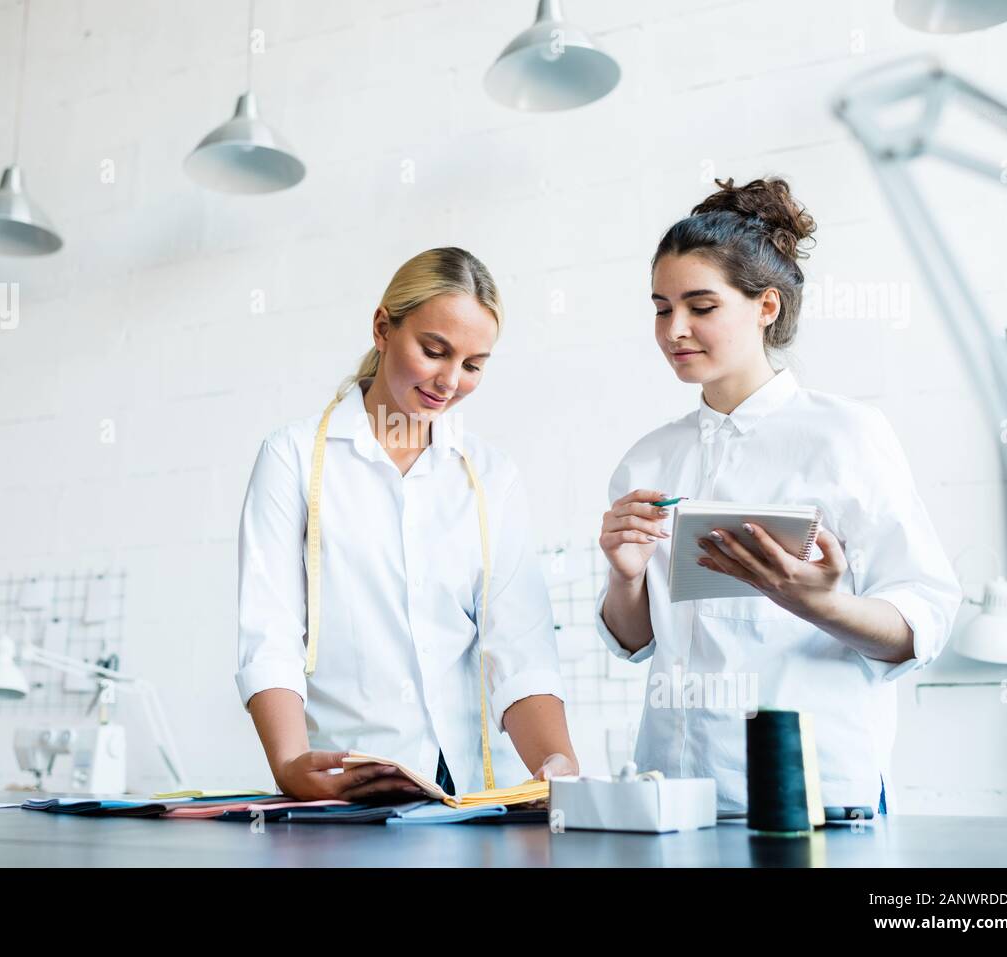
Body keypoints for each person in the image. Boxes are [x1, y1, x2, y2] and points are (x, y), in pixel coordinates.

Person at [595, 178, 961, 813]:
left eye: (701, 307)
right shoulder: (648, 458)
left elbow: (919, 624)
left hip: (815, 794)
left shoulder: (845, 435)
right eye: (661, 308)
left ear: (766, 306)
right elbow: (637, 641)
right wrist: (625, 578)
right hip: (674, 796)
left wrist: (819, 604)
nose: (675, 330)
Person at [238, 246, 577, 802]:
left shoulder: (491, 476)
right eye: (434, 351)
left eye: (472, 365)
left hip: (461, 791)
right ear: (382, 328)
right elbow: (270, 633)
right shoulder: (292, 458)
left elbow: (519, 645)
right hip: (344, 786)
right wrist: (289, 762)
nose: (449, 381)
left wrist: (556, 761)